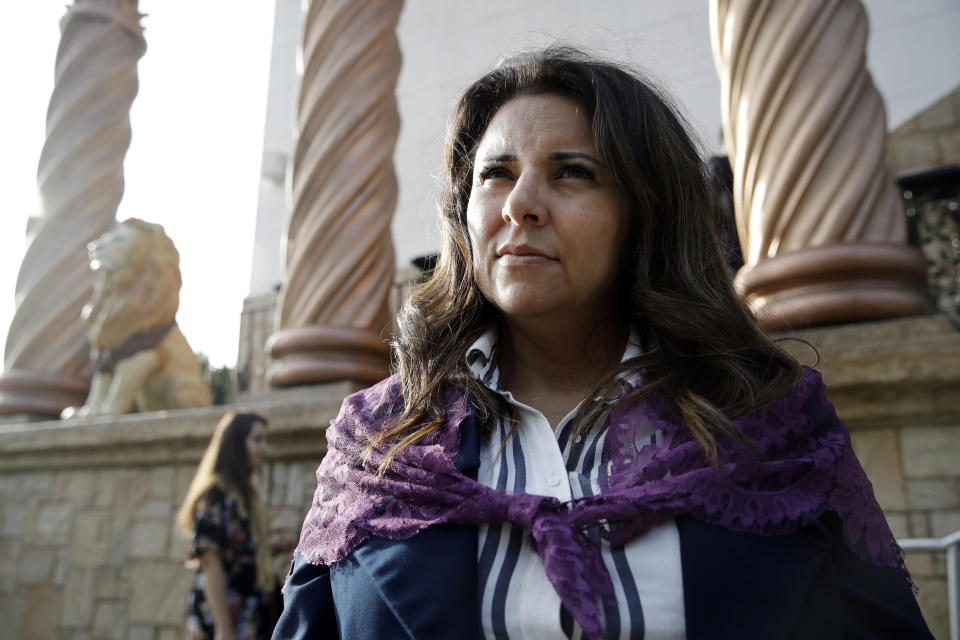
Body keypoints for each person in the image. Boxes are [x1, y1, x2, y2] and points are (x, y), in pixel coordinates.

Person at [274, 46, 932, 639]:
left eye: (572, 173)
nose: (520, 204)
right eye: (495, 174)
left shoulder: (772, 422)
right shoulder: (379, 440)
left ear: (645, 214)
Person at [177, 411, 275, 640]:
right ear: (236, 444)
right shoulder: (216, 495)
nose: (264, 449)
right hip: (228, 620)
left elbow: (237, 555)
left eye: (266, 440)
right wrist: (224, 629)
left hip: (246, 615)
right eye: (257, 440)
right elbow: (210, 562)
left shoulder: (242, 494)